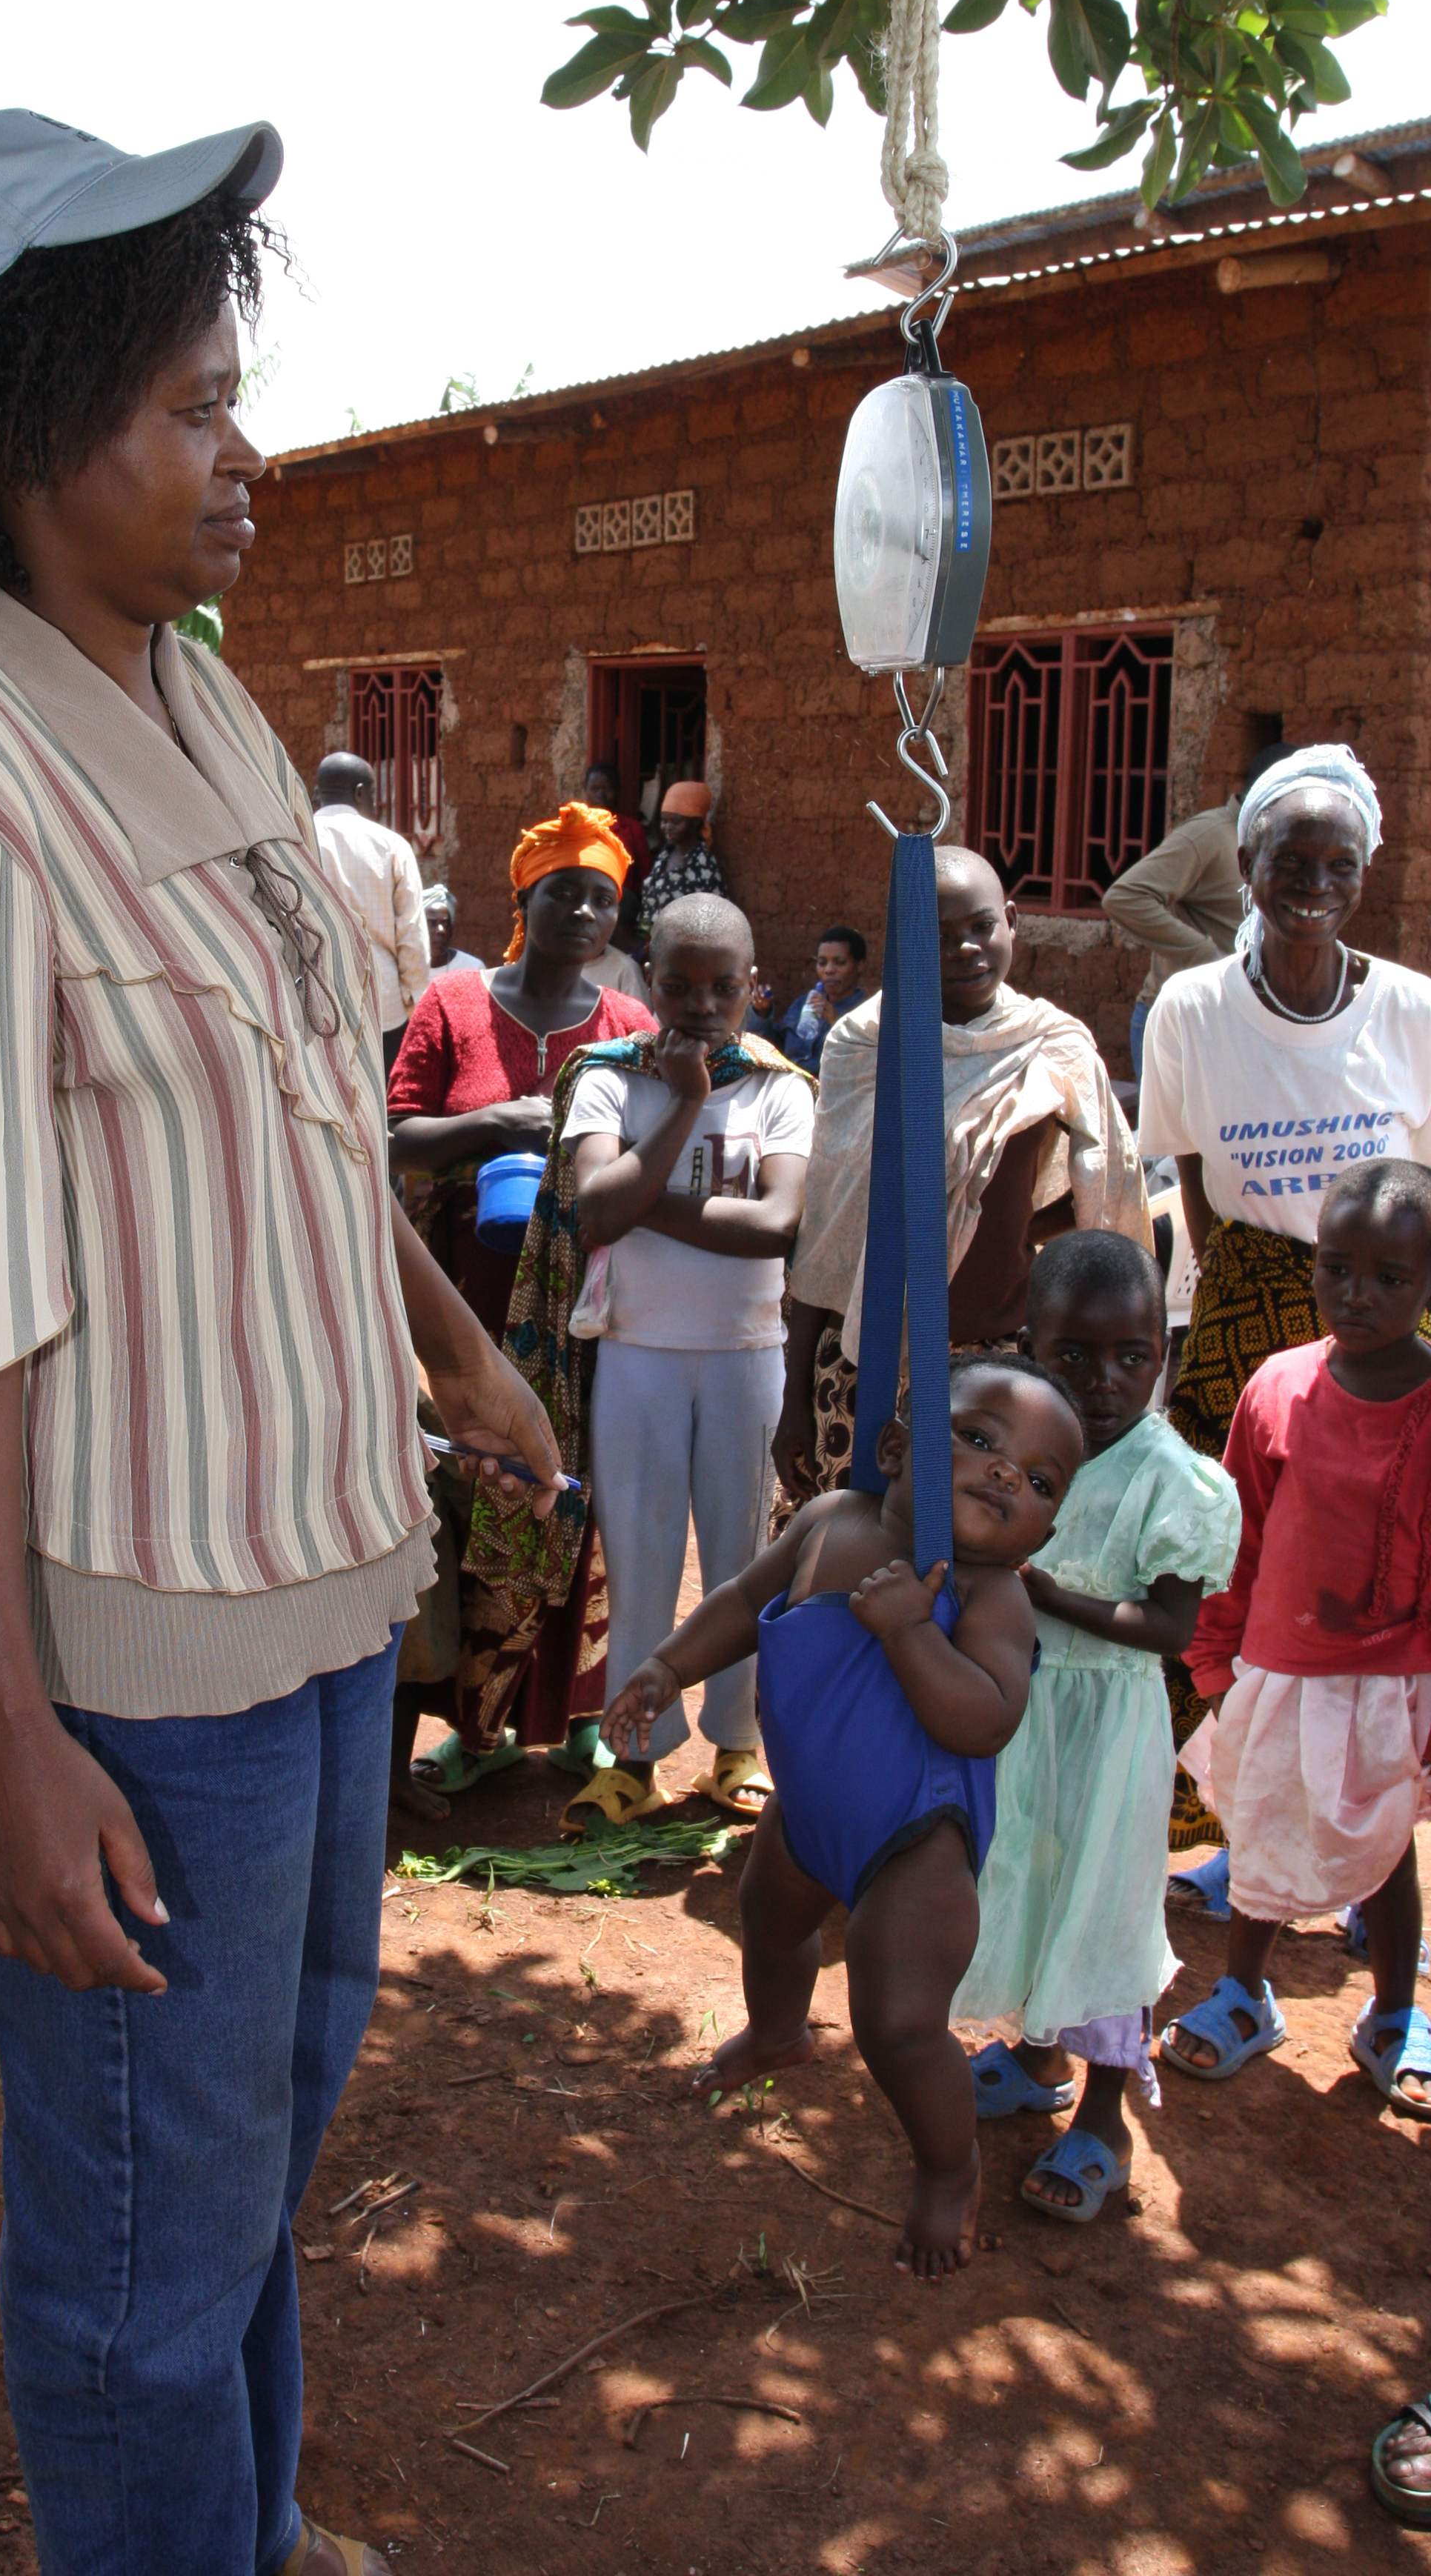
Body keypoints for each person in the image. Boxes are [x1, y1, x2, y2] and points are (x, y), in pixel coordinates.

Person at [0, 107, 557, 2576]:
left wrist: (453, 1353)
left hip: (315, 1579)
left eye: (235, 391)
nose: (245, 447)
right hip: (128, 1653)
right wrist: (7, 1741)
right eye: (191, 406)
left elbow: (306, 1111)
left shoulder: (198, 707)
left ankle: (252, 2515)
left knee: (256, 2143)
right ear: (20, 433)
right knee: (130, 2259)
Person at [604, 1355, 1083, 2276]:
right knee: (769, 1920)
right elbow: (747, 1600)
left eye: (1035, 1480)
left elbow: (985, 1722)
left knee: (899, 2023)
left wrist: (909, 1630)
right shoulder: (832, 1523)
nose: (1000, 1474)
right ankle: (780, 2032)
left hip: (916, 1843)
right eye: (980, 1440)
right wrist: (668, 1665)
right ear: (899, 1447)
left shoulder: (991, 1597)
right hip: (810, 1809)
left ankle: (949, 2170)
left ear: (1043, 1529)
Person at [1137, 742, 1431, 1859]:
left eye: (1337, 863)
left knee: (1379, 1578)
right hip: (1246, 1308)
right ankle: (1231, 1826)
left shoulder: (1411, 1011)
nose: (1312, 882)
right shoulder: (1193, 1009)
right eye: (1288, 858)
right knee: (1230, 1564)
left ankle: (1370, 1843)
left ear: (1363, 876)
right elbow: (1194, 1182)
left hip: (1391, 1329)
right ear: (1246, 861)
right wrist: (1237, 1300)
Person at [954, 1233, 1241, 2222]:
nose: (1105, 1380)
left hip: (1112, 1725)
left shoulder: (1176, 1479)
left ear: (1162, 1351)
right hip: (1023, 1711)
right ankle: (1037, 2060)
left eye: (1133, 1356)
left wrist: (1040, 1592)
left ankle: (1107, 2120)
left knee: (1107, 1905)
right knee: (1025, 1875)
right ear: (1032, 1345)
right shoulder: (1022, 1449)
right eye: (1073, 1354)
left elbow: (1166, 1628)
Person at [387, 803, 646, 1806]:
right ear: (523, 900)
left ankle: (571, 1722)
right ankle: (476, 1727)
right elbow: (394, 1135)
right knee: (468, 1510)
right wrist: (494, 1124)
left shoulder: (626, 1026)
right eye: (563, 893)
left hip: (585, 1312)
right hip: (463, 1306)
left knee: (572, 1512)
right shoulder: (452, 1006)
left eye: (602, 899)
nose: (583, 911)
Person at [1164, 1162, 1431, 2112]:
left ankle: (1395, 2011)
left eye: (1390, 1278)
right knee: (1266, 1831)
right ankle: (1243, 1991)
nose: (1357, 1295)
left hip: (1394, 1679)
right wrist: (1214, 1658)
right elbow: (1240, 1539)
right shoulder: (1277, 1388)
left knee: (1388, 1841)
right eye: (1337, 1268)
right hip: (1281, 1668)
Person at [778, 845, 1150, 1502]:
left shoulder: (1052, 1043)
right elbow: (830, 1230)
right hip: (868, 1355)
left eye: (982, 926)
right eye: (939, 936)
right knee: (853, 1559)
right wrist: (794, 1394)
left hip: (1004, 1355)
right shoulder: (866, 1044)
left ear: (1012, 921)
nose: (966, 949)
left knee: (986, 1565)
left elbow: (1104, 1193)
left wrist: (1003, 1226)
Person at [563, 894, 812, 1828]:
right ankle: (634, 1755)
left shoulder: (781, 1086)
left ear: (755, 987)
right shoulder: (608, 1080)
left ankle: (736, 1745)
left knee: (745, 1562)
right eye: (679, 986)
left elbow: (778, 1226)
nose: (702, 1007)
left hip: (747, 1356)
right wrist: (688, 1104)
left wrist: (633, 1195)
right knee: (639, 1559)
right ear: (648, 985)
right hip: (637, 1355)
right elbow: (592, 1212)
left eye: (723, 988)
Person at [1102, 743, 1292, 1085]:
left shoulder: (1277, 847)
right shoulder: (1211, 835)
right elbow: (1125, 896)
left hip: (1239, 1021)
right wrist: (1205, 954)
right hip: (1180, 1020)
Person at [311, 750, 428, 1073]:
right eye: (374, 795)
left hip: (311, 1002)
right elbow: (412, 936)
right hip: (382, 1004)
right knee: (381, 1109)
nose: (375, 804)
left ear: (319, 793)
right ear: (360, 792)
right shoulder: (391, 846)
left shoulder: (297, 841)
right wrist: (416, 1006)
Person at [636, 779, 726, 947]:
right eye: (664, 821)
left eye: (676, 822)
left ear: (696, 822)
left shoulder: (704, 866)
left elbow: (714, 923)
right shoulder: (665, 855)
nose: (667, 827)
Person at [786, 925, 869, 1070]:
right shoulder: (802, 1004)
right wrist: (762, 1014)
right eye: (822, 963)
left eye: (840, 962)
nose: (829, 970)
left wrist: (838, 1023)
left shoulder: (866, 1014)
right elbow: (773, 1047)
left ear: (860, 966)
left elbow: (865, 1065)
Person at [583, 757, 649, 926]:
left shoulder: (632, 830)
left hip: (620, 913)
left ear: (618, 791)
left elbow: (645, 876)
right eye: (595, 789)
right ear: (585, 790)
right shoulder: (576, 830)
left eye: (607, 789)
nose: (601, 796)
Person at [422, 881, 481, 975]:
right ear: (420, 927)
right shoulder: (405, 969)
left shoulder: (473, 969)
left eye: (445, 924)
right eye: (432, 923)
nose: (441, 930)